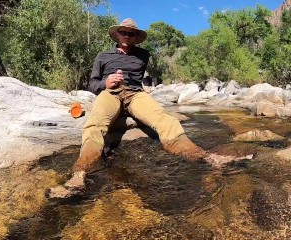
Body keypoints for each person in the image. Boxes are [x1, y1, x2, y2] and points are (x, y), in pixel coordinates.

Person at [47, 18, 207, 199]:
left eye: (131, 33)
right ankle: (79, 175)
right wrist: (105, 83)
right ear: (116, 34)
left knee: (165, 119)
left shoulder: (143, 55)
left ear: (136, 36)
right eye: (123, 32)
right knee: (94, 125)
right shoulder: (102, 56)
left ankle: (201, 157)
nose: (127, 36)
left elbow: (139, 80)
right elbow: (92, 84)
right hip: (110, 93)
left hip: (135, 95)